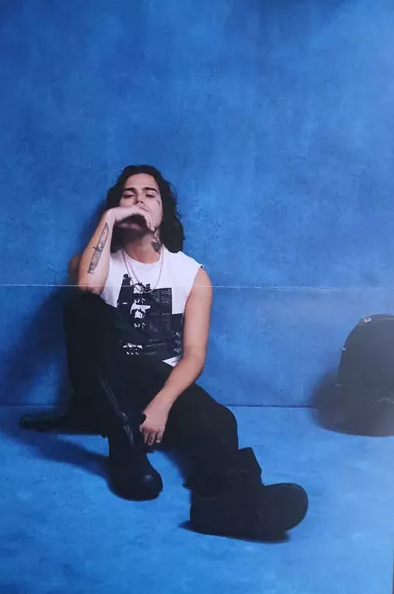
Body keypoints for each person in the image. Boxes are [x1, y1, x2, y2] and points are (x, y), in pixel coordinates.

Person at [20, 164, 308, 540]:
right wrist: (109, 220)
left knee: (220, 421)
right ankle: (125, 449)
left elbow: (194, 355)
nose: (139, 200)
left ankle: (234, 505)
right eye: (129, 194)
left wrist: (162, 404)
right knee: (82, 307)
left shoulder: (191, 274)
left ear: (163, 210)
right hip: (106, 389)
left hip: (158, 386)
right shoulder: (95, 261)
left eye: (149, 194)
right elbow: (88, 287)